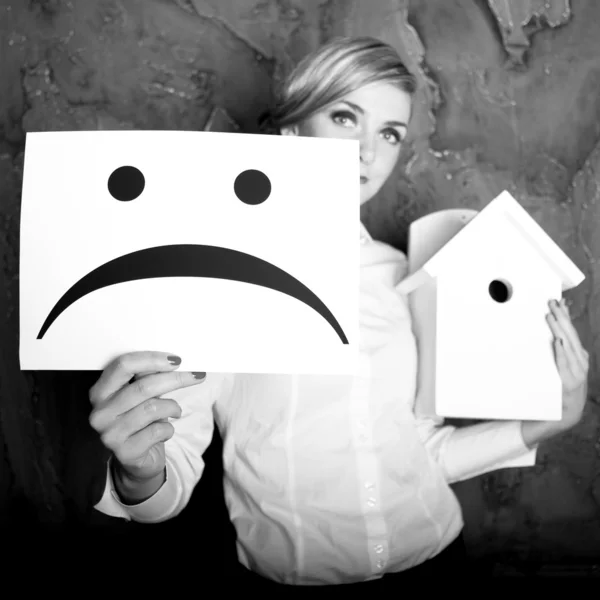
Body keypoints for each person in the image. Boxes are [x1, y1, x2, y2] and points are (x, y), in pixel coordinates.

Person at [89, 37, 589, 589]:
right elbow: (164, 488)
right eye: (345, 116)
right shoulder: (213, 278)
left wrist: (551, 420)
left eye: (389, 133)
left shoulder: (404, 275)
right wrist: (140, 470)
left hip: (441, 565)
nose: (368, 152)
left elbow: (420, 449)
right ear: (293, 132)